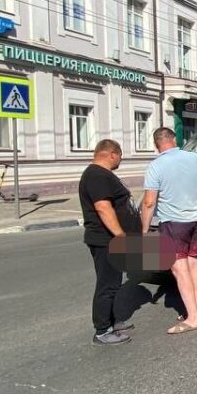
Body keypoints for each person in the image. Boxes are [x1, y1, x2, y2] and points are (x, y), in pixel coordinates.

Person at [140, 127, 197, 335]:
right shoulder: (194, 158)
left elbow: (149, 202)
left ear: (156, 144)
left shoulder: (156, 166)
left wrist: (144, 231)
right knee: (193, 263)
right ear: (174, 139)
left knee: (179, 269)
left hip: (173, 223)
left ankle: (193, 318)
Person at [79, 139, 138, 346]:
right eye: (120, 156)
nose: (120, 160)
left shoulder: (100, 174)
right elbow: (103, 208)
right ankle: (102, 331)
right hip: (106, 240)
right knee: (108, 285)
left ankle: (113, 323)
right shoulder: (96, 175)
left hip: (109, 239)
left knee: (113, 283)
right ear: (112, 154)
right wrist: (120, 236)